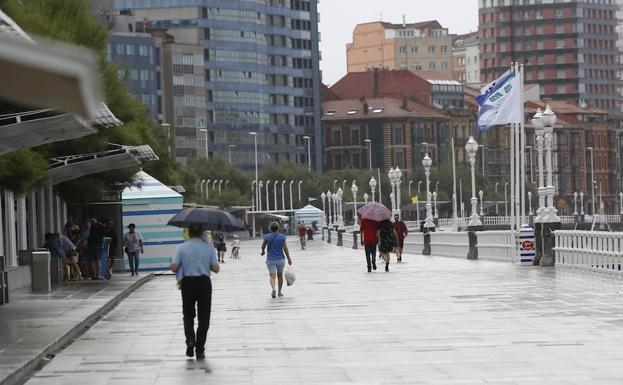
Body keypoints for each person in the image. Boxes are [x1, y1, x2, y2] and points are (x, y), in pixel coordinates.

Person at [170, 223, 220, 360]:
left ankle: (190, 341)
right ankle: (200, 349)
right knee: (204, 317)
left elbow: (174, 267)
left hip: (188, 283)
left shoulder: (181, 247)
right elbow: (216, 269)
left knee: (188, 315)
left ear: (189, 233)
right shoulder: (209, 248)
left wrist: (178, 265)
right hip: (204, 283)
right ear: (201, 233)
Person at [261, 222, 292, 298]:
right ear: (278, 228)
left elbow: (263, 246)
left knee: (272, 276)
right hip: (280, 259)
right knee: (280, 276)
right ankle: (279, 292)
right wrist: (289, 258)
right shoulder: (282, 237)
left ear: (270, 228)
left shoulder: (267, 237)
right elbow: (285, 249)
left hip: (270, 260)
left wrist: (263, 251)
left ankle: (273, 288)